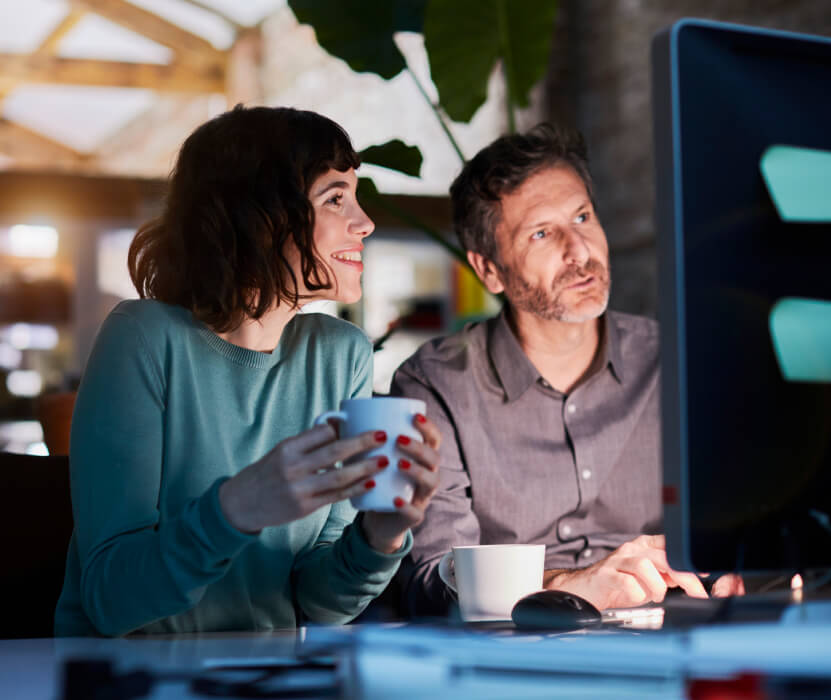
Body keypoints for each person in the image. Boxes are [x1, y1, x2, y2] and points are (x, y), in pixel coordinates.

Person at [54, 106, 441, 637]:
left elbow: (322, 603)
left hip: (264, 676)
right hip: (129, 678)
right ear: (261, 218)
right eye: (335, 198)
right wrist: (236, 507)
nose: (365, 222)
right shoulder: (144, 337)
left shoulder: (341, 354)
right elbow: (110, 599)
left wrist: (381, 536)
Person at [391, 124, 741, 617]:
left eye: (582, 217)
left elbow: (743, 525)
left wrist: (739, 567)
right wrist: (575, 585)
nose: (580, 251)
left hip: (677, 638)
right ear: (488, 269)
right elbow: (430, 579)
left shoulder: (678, 360)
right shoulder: (434, 386)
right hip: (514, 656)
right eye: (541, 233)